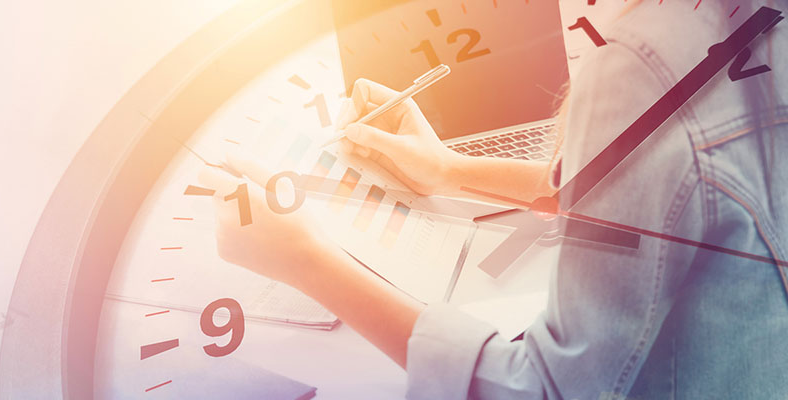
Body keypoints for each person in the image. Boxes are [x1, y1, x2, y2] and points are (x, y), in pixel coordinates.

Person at [200, 1, 788, 398]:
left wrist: (305, 261)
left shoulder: (645, 61)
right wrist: (449, 170)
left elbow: (547, 390)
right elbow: (681, 184)